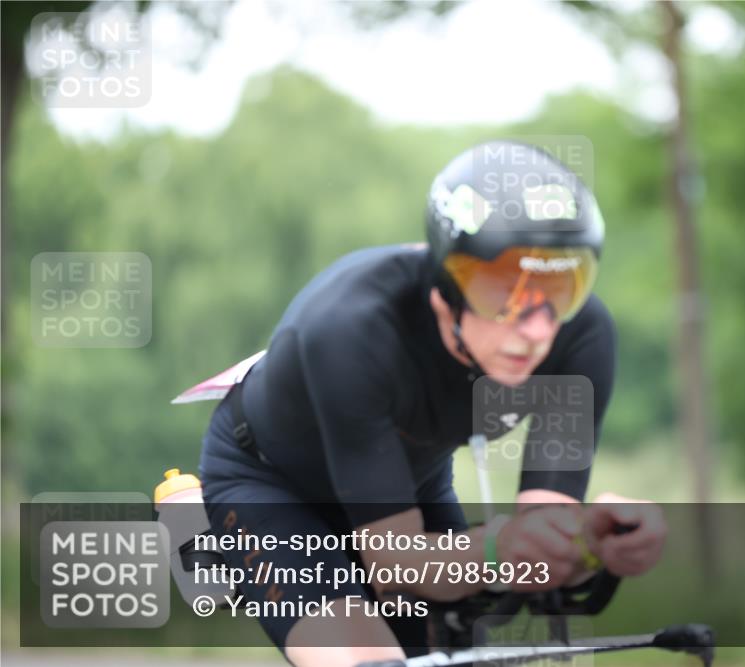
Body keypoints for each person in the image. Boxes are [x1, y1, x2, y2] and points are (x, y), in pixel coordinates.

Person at [197, 140, 667, 667]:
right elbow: (396, 563)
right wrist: (495, 550)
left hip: (407, 483)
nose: (536, 329)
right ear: (447, 285)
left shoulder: (580, 337)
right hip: (271, 485)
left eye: (561, 286)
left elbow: (540, 551)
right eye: (502, 292)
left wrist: (592, 544)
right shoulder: (353, 330)